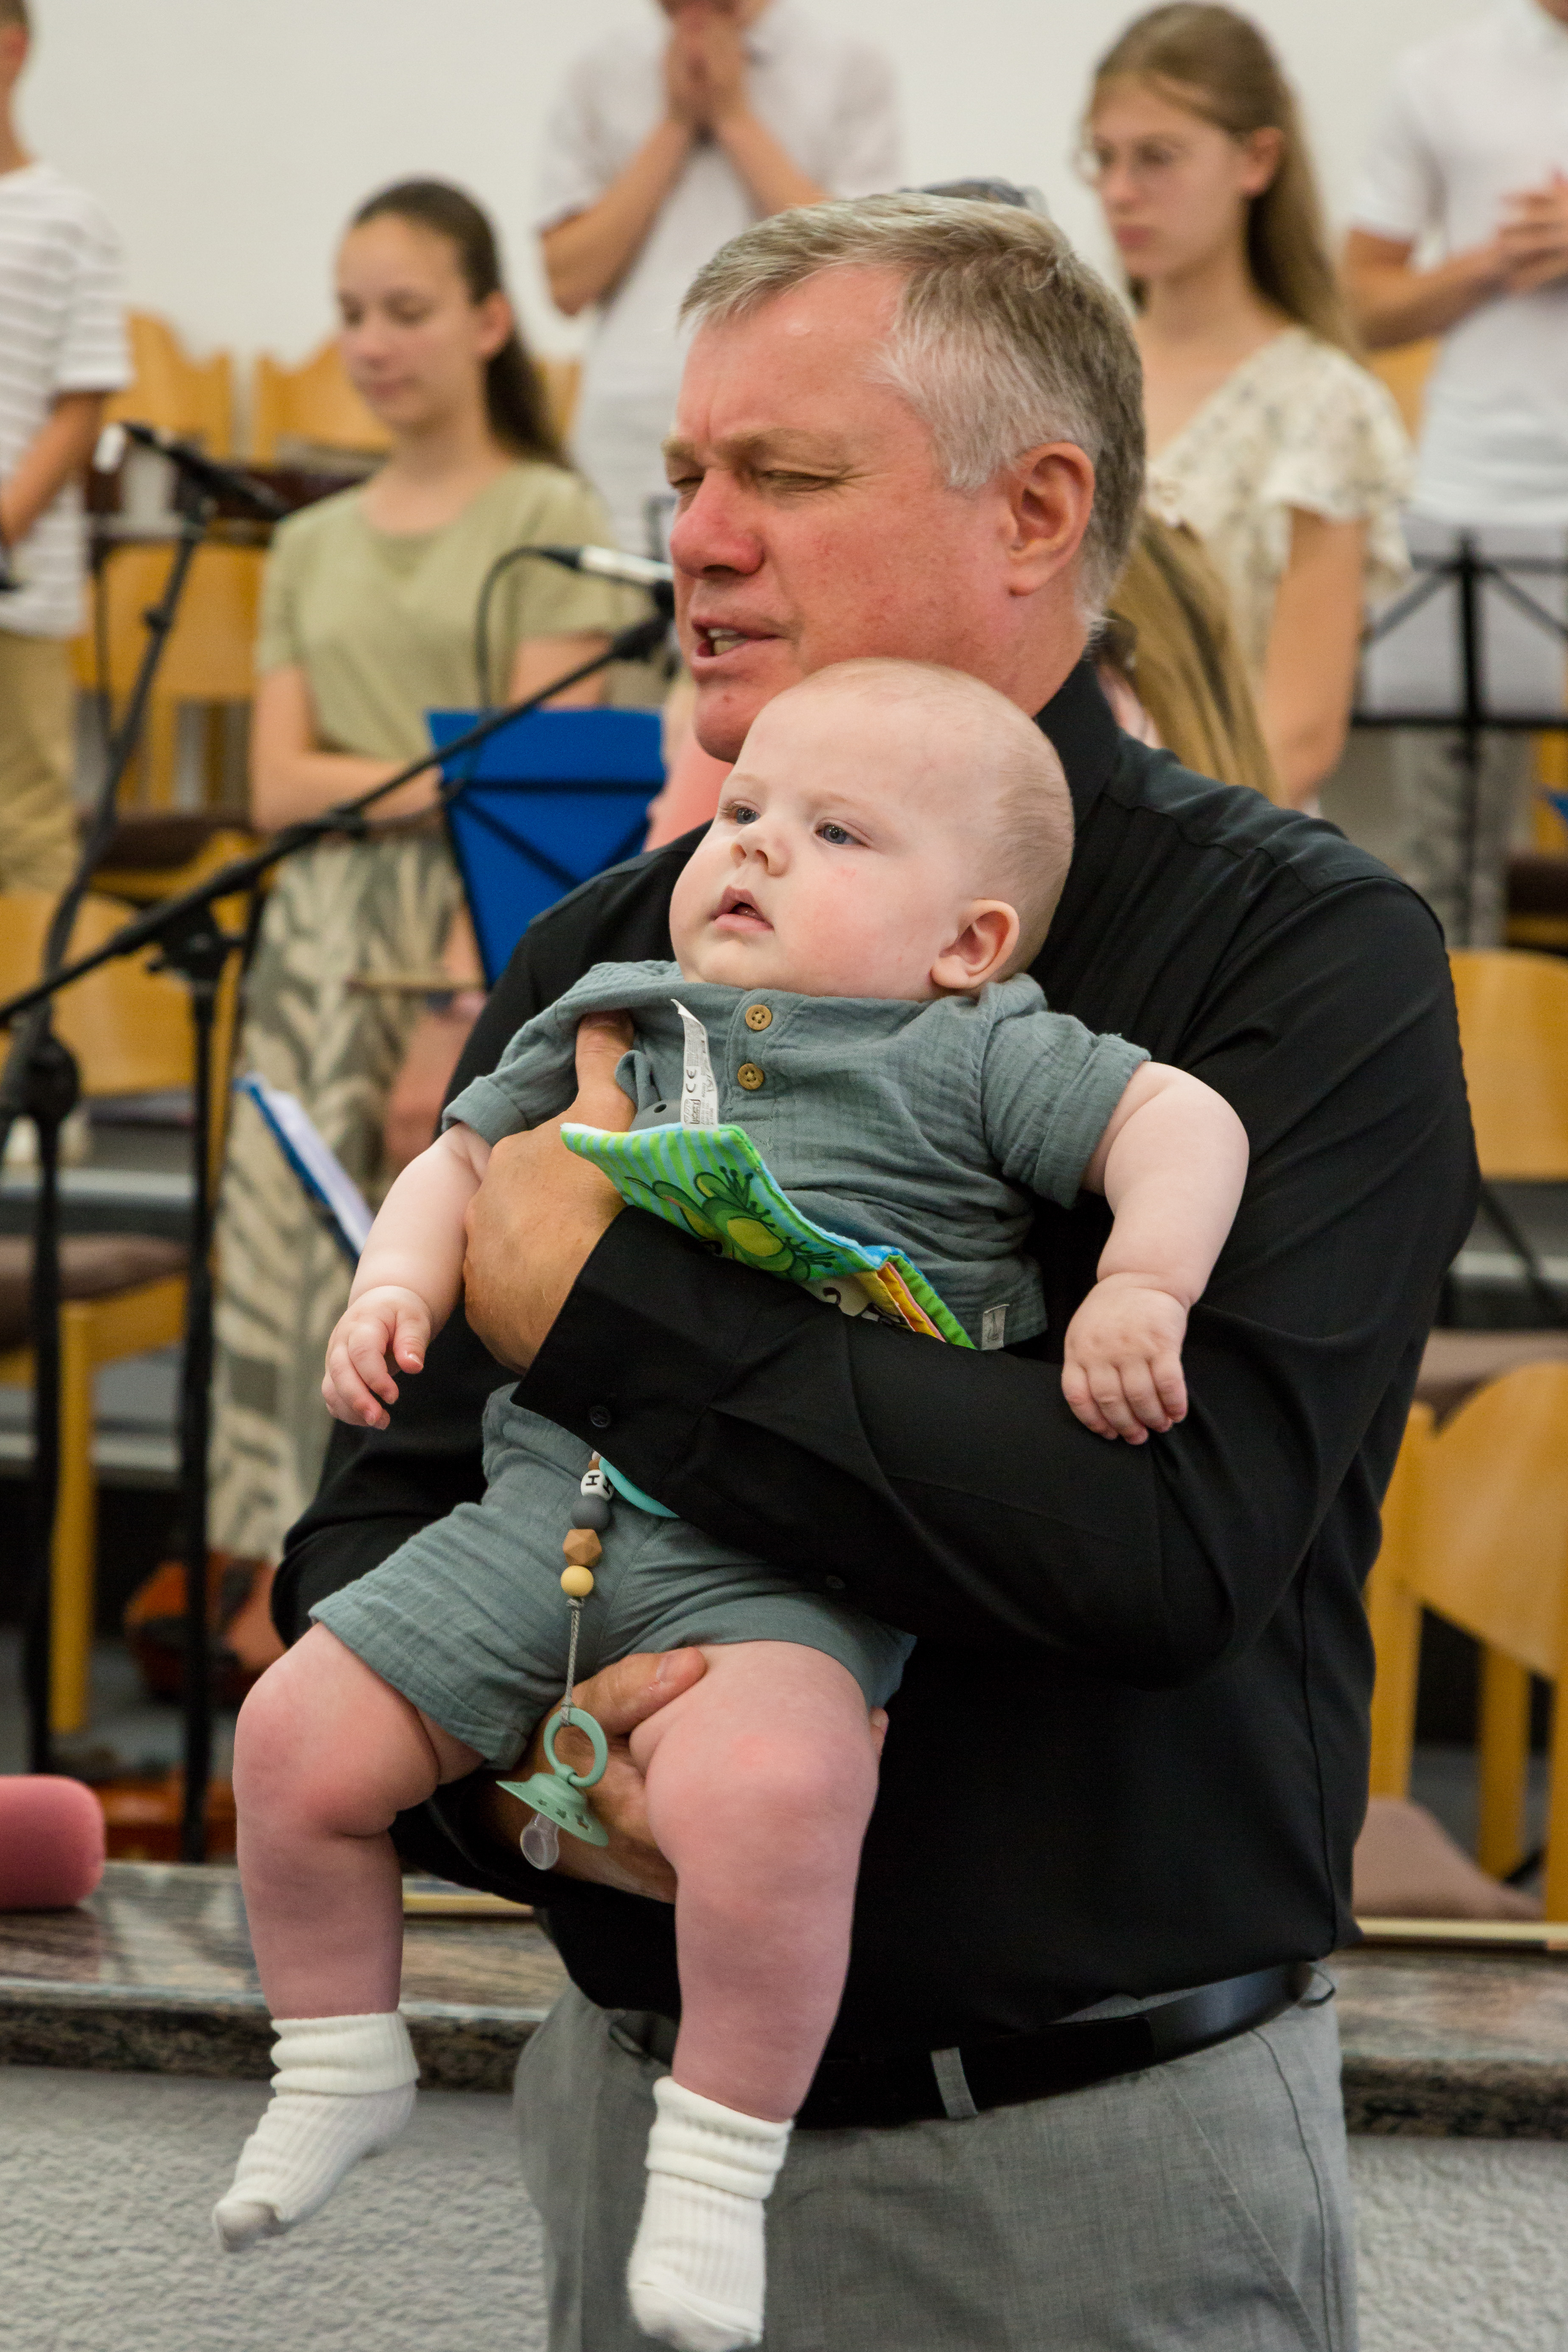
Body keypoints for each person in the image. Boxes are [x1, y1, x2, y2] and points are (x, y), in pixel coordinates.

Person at [277, 195, 1476, 2352]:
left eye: (786, 476)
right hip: (635, 2119)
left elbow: (1161, 1553)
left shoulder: (1303, 960)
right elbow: (370, 1530)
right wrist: (549, 1782)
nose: (698, 540)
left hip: (1078, 2160)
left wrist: (602, 1306)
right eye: (685, 478)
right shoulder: (610, 950)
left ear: (1037, 512)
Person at [216, 660, 1249, 2352]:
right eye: (745, 809)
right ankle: (334, 2055)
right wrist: (393, 1286)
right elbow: (459, 1164)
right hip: (534, 1527)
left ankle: (713, 2161)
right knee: (292, 1735)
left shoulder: (970, 1048)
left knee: (776, 1800)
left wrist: (1142, 1282)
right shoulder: (621, 1005)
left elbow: (1180, 1123)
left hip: (774, 1570)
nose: (754, 846)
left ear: (967, 940)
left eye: (835, 833)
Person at [209, 178, 639, 1568]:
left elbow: (536, 779)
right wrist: (450, 765)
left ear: (491, 320)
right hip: (317, 925)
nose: (373, 343)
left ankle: (407, 1566)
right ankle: (268, 1569)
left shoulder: (545, 510)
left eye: (407, 310)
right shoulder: (306, 540)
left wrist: (461, 999)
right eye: (352, 314)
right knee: (286, 1253)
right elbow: (275, 785)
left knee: (427, 1258)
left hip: (475, 912)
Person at [1082, 3, 1411, 808]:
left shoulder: (1324, 404)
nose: (1121, 192)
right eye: (1104, 158)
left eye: (1158, 157)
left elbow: (1298, 736)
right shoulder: (1071, 369)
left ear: (1257, 159)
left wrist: (1156, 851)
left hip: (1227, 836)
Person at [1344, 0, 1568, 942]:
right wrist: (1493, 262)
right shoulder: (1441, 74)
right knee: (1448, 859)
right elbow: (1360, 303)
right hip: (1475, 499)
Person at [537, 0, 898, 555]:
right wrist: (676, 123)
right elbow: (566, 284)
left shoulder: (849, 64)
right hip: (625, 433)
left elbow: (862, 270)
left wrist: (733, 117)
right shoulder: (600, 68)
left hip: (787, 428)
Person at [0, 0, 129, 891]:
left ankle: (32, 985)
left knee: (26, 824)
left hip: (20, 590)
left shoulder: (68, 220)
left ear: (11, 51)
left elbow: (80, 409)